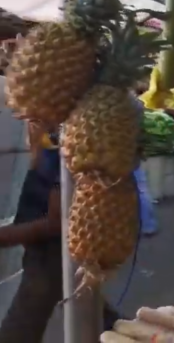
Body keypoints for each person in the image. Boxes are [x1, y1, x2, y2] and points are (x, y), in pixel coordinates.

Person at [0, 122, 122, 342]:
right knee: (95, 312)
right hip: (48, 256)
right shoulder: (47, 147)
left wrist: (6, 236)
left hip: (54, 257)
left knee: (19, 329)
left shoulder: (65, 158)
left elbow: (57, 222)